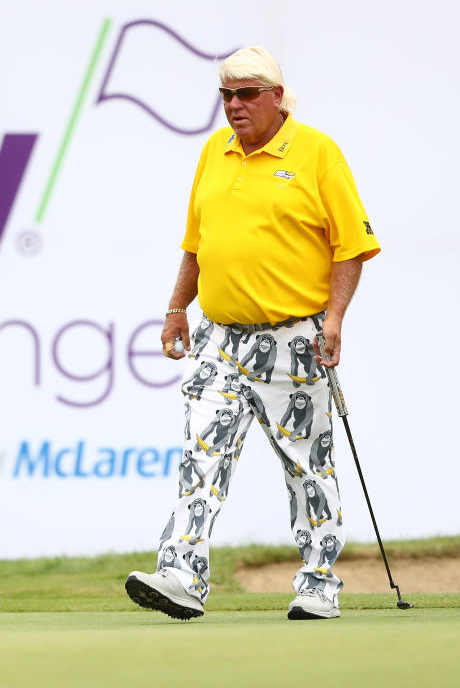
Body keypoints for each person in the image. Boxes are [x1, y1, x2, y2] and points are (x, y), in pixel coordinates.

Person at [125, 46, 380, 621]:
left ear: (275, 97)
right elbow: (198, 243)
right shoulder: (215, 151)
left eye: (245, 94)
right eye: (226, 95)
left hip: (294, 337)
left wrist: (335, 317)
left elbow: (352, 246)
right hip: (219, 339)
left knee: (307, 465)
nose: (234, 105)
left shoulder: (316, 153)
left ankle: (319, 585)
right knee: (200, 456)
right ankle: (181, 578)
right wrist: (174, 310)